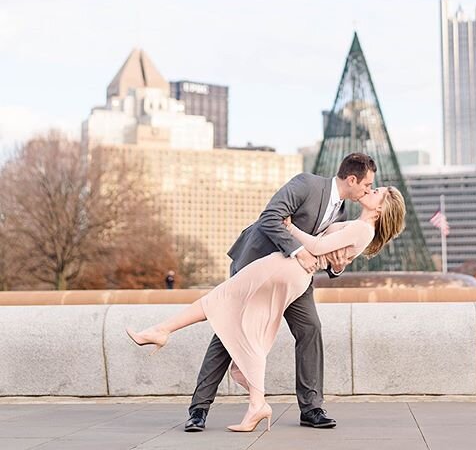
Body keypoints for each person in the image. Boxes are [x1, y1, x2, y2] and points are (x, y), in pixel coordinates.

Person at [127, 181, 405, 433]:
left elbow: (320, 247)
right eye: (370, 184)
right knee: (250, 331)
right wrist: (328, 257)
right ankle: (241, 404)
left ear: (380, 209)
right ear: (351, 179)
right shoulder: (311, 189)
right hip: (282, 267)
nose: (370, 189)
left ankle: (162, 331)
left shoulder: (356, 224)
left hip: (287, 270)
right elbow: (277, 221)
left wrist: (291, 229)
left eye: (375, 190)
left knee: (224, 304)